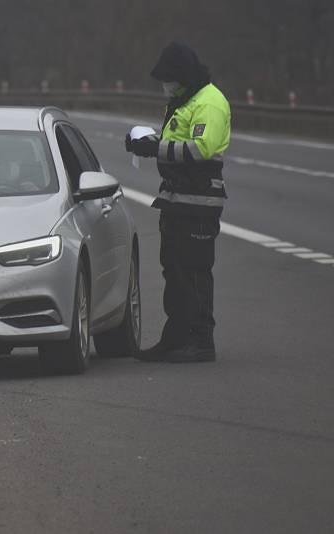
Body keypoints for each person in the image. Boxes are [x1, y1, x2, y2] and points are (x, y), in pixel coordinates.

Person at [125, 42, 231, 363]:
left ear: (184, 75)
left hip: (198, 202)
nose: (165, 85)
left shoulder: (209, 102)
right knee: (174, 270)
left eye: (170, 78)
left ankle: (200, 341)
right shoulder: (184, 99)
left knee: (194, 271)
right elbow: (177, 141)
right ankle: (175, 338)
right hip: (176, 199)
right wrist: (147, 142)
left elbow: (200, 149)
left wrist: (153, 150)